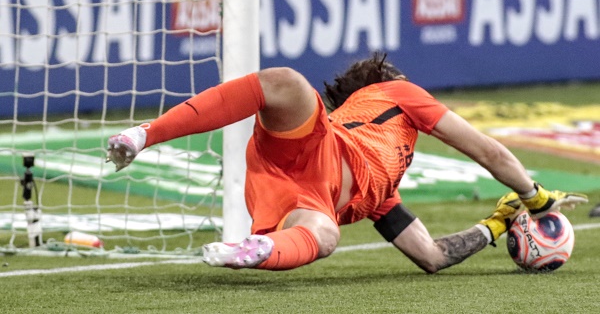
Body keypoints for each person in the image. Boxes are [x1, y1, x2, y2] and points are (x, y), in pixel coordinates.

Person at [106, 52, 588, 273]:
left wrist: (496, 224)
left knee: (325, 235)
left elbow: (431, 256)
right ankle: (146, 133)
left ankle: (253, 252)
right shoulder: (396, 94)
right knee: (287, 83)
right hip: (321, 149)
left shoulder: (383, 195)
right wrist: (535, 196)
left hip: (301, 195)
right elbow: (490, 152)